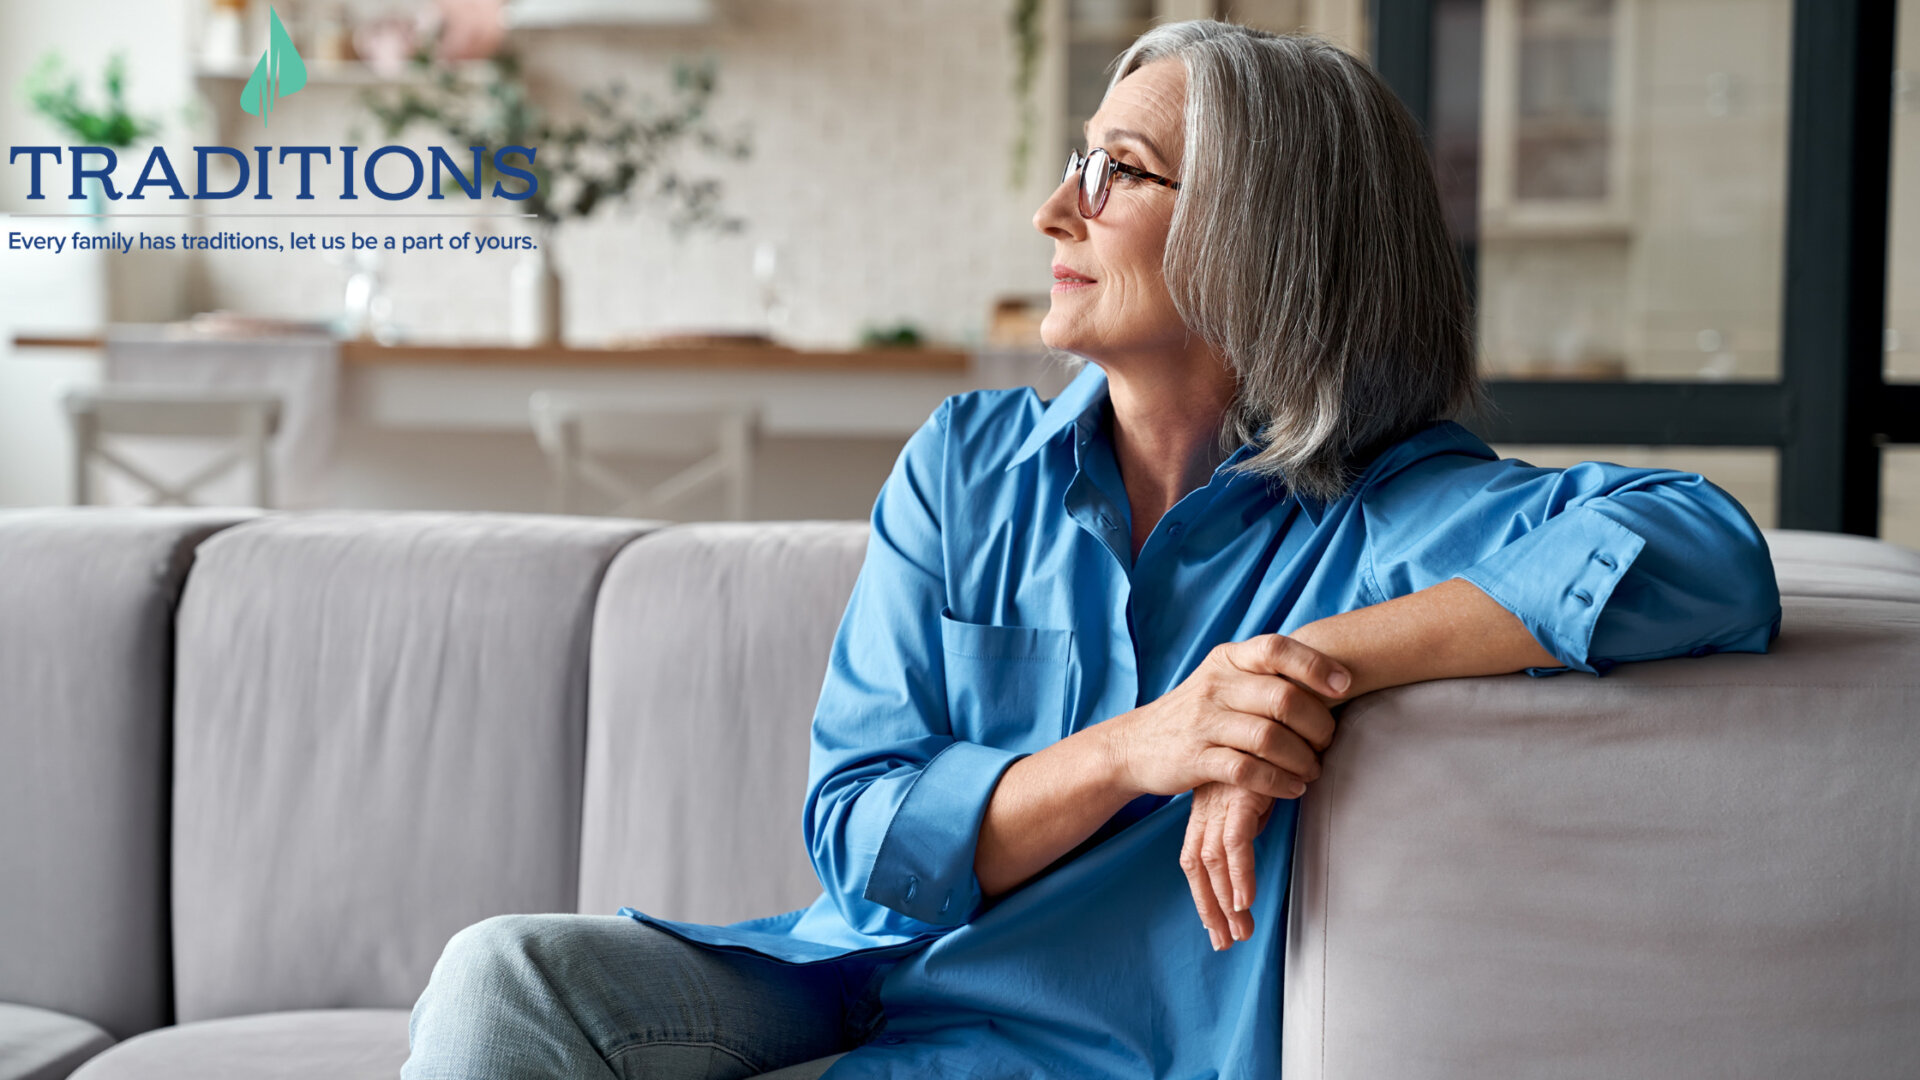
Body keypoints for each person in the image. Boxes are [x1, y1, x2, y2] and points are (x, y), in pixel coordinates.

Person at [401, 20, 1782, 1080]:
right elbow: (859, 837)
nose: (1057, 213)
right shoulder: (966, 463)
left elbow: (1708, 555)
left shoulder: (1394, 515)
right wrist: (1148, 745)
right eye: (1077, 162)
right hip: (868, 975)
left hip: (1094, 1046)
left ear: (1263, 238)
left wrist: (1302, 663)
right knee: (501, 981)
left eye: (1115, 174)